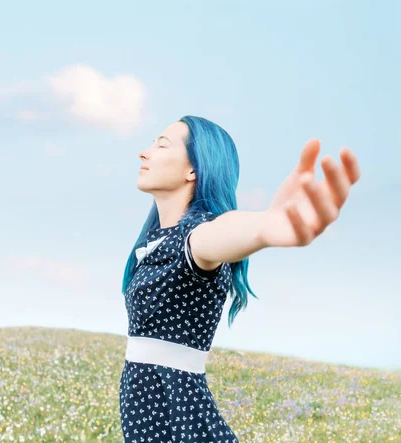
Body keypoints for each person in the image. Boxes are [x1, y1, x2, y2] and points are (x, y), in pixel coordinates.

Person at [118, 115, 361, 442]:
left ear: (194, 170)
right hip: (155, 417)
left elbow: (219, 234)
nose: (144, 153)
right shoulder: (156, 240)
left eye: (161, 145)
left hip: (180, 422)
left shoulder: (195, 236)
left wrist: (266, 227)